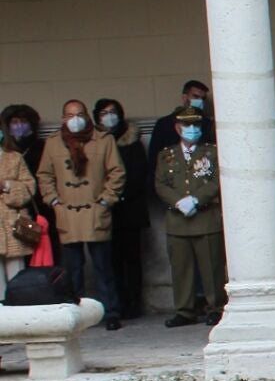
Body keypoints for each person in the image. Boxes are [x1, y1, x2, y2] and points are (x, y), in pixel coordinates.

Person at [37, 100, 127, 330]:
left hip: (95, 211)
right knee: (72, 270)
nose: (75, 120)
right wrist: (53, 200)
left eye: (79, 114)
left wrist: (106, 200)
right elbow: (44, 175)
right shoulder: (53, 143)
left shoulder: (104, 140)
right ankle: (75, 313)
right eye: (70, 115)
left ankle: (111, 312)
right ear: (63, 118)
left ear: (87, 116)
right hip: (67, 212)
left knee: (103, 268)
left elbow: (117, 172)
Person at [151, 106, 226, 327]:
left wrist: (196, 199)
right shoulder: (166, 155)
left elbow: (217, 180)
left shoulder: (212, 152)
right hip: (178, 220)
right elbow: (160, 184)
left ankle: (216, 307)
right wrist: (178, 201)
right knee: (181, 269)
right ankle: (184, 310)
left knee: (212, 268)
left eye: (196, 124)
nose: (192, 129)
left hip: (206, 218)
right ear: (177, 128)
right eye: (187, 125)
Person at [92, 99, 149, 319]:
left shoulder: (131, 139)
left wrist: (121, 195)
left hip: (130, 209)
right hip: (106, 210)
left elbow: (139, 173)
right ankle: (117, 302)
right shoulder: (95, 142)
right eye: (104, 113)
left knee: (132, 259)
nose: (109, 116)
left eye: (113, 112)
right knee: (110, 260)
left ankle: (134, 302)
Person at [148, 80, 213, 167]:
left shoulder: (208, 125)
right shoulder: (164, 124)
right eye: (196, 96)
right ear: (184, 98)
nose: (200, 101)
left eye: (203, 98)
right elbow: (153, 159)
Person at [2, 146, 38, 297]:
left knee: (17, 278)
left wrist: (7, 185)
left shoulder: (14, 157)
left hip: (12, 224)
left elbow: (29, 187)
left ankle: (18, 306)